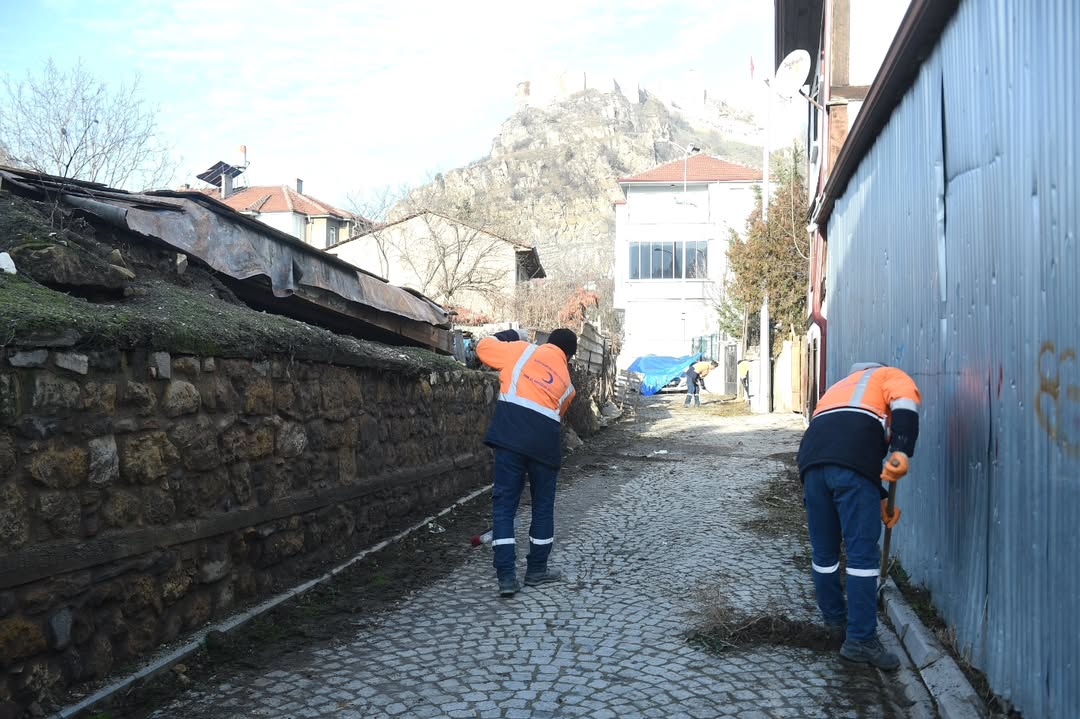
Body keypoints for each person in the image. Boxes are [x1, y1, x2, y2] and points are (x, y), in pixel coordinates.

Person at [796, 361, 921, 671]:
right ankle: (861, 640)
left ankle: (835, 623)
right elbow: (906, 403)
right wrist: (902, 450)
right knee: (862, 557)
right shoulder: (888, 375)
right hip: (851, 468)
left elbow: (838, 448)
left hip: (811, 467)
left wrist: (878, 498)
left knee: (824, 555)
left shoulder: (838, 389)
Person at [476, 327, 577, 598]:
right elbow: (559, 411)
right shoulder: (568, 384)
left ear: (547, 342)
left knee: (505, 506)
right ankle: (537, 570)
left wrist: (506, 335)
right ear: (569, 356)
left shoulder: (522, 350)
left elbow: (482, 348)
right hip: (545, 446)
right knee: (543, 506)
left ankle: (507, 577)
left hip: (510, 439)